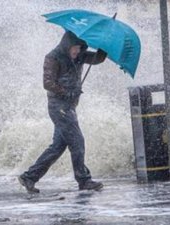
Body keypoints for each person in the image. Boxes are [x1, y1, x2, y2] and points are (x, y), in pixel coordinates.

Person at [18, 31, 107, 193]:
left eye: (80, 48)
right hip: (58, 107)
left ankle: (29, 177)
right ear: (67, 45)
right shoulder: (53, 57)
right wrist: (66, 92)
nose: (77, 51)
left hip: (69, 107)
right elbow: (47, 83)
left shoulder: (80, 56)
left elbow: (97, 59)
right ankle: (84, 180)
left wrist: (104, 46)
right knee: (77, 142)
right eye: (75, 48)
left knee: (58, 147)